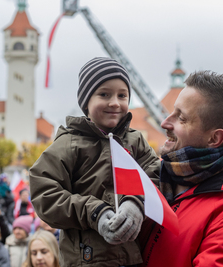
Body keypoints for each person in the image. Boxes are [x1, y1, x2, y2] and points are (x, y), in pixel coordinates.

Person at [30, 57, 160, 266]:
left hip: (134, 257)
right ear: (86, 102)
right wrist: (94, 213)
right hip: (87, 261)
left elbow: (156, 174)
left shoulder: (136, 141)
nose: (115, 102)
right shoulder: (68, 144)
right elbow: (44, 194)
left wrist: (136, 203)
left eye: (122, 95)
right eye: (104, 94)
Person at [139, 71, 223, 266]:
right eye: (172, 112)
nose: (165, 123)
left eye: (181, 118)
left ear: (214, 139)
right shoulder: (161, 177)